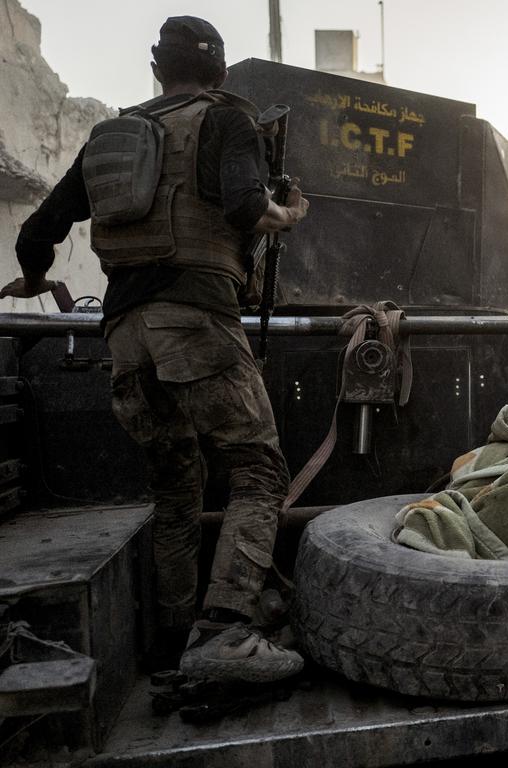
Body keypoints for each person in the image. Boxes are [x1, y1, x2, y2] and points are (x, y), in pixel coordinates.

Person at [2, 17, 309, 684]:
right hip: (194, 320)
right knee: (259, 471)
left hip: (125, 335)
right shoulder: (229, 118)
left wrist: (32, 277)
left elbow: (39, 229)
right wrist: (286, 215)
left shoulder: (116, 134)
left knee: (175, 492)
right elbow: (242, 205)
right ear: (220, 72)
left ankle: (175, 639)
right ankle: (225, 632)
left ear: (154, 69)